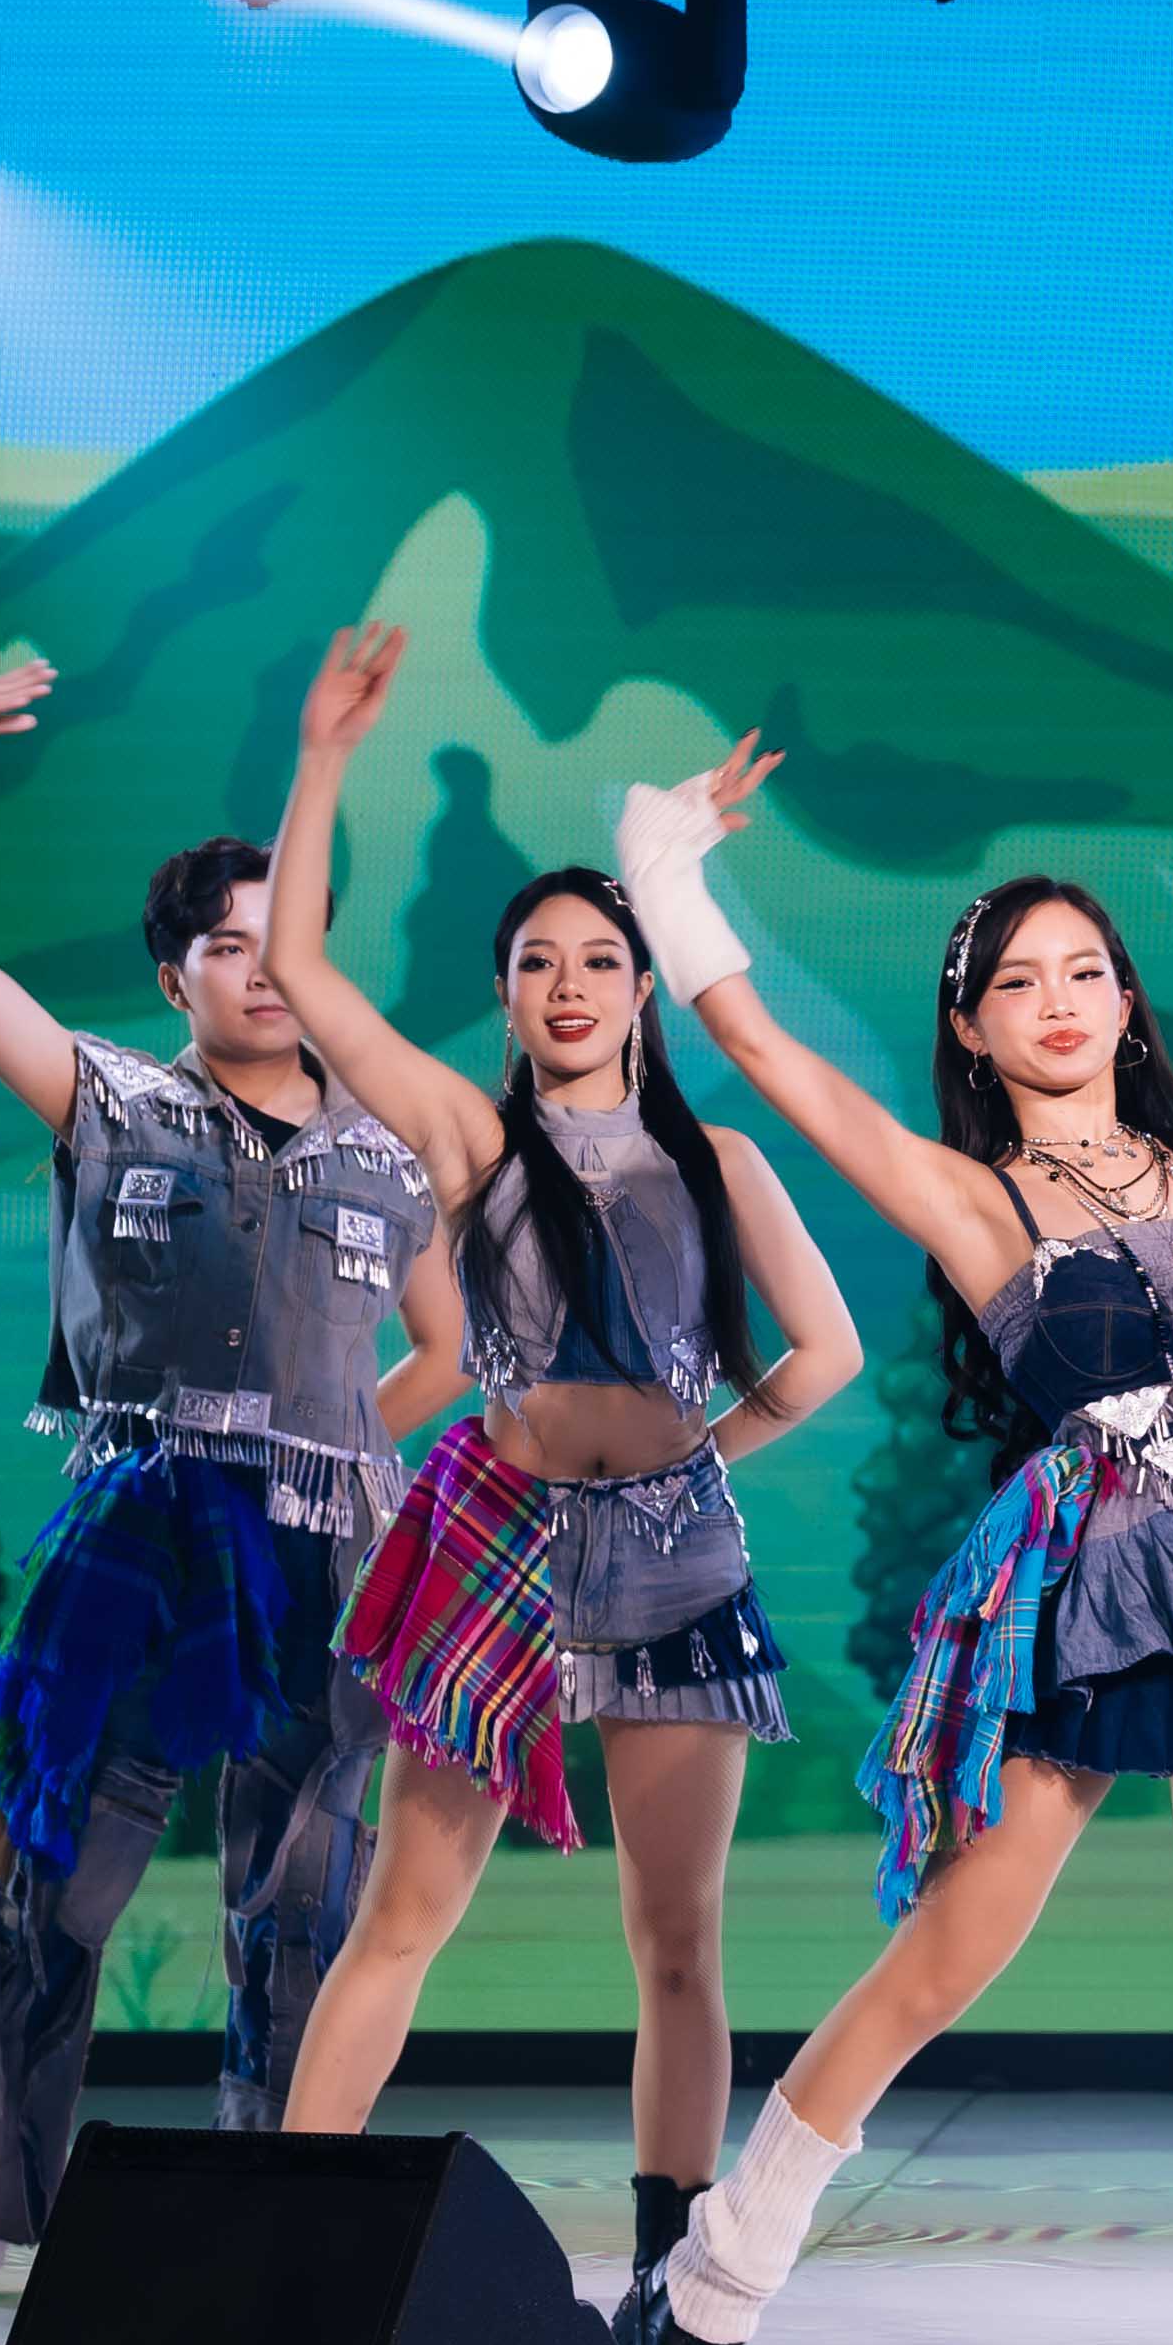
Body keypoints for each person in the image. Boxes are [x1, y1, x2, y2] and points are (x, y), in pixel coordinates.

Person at [598, 759, 1173, 2345]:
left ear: (1128, 1001)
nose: (1060, 1002)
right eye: (1020, 982)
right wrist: (661, 869)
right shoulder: (972, 1195)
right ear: (970, 1030)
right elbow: (763, 1050)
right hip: (1089, 1588)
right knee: (947, 1956)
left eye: (1087, 971)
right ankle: (706, 2298)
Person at [0, 653, 472, 2299]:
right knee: (49, 1865)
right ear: (173, 974)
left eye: (284, 941)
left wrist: (337, 1441)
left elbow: (454, 1348)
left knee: (303, 1891)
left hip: (327, 1556)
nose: (262, 972)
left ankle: (278, 2195)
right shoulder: (111, 1100)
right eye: (226, 946)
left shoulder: (387, 1144)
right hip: (140, 1531)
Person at [253, 627, 863, 2252]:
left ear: (644, 988)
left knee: (676, 1944)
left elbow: (827, 1356)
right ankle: (285, 2238)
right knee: (402, 1916)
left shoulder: (722, 1162)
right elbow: (301, 971)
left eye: (599, 957)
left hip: (674, 1568)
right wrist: (324, 755)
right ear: (506, 995)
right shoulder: (469, 1138)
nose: (570, 984)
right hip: (497, 1546)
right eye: (537, 962)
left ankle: (673, 2275)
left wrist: (698, 1461)